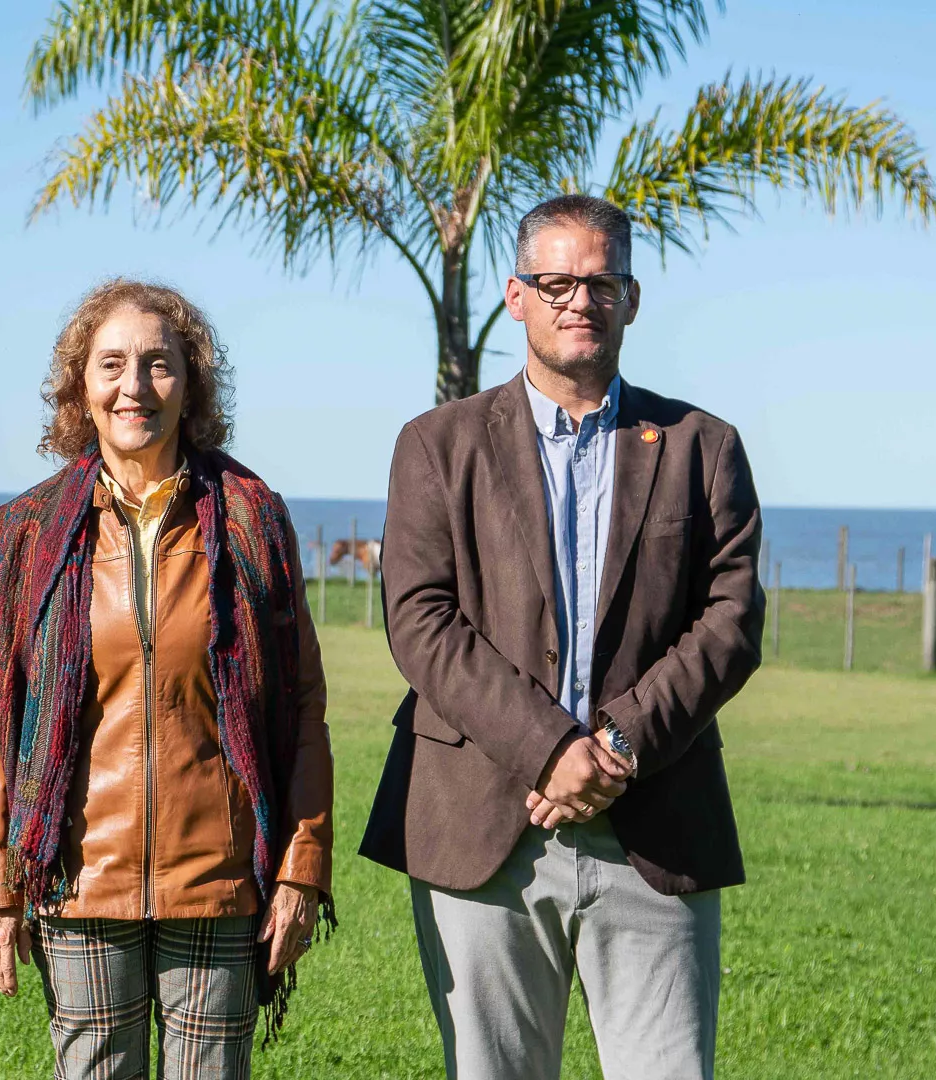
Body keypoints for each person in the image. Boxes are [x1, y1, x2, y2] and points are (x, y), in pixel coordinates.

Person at [360, 194, 764, 1080]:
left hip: (655, 826)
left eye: (602, 283)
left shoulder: (703, 446)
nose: (580, 300)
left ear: (631, 298)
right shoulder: (436, 446)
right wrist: (548, 749)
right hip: (483, 828)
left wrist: (618, 743)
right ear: (517, 296)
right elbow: (420, 618)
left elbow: (732, 620)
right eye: (556, 284)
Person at [0, 280, 334, 1079]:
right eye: (112, 365)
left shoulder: (253, 520)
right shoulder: (21, 533)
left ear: (190, 384)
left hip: (219, 881)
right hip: (77, 883)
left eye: (159, 363)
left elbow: (303, 708)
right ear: (80, 386)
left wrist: (301, 867)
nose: (134, 386)